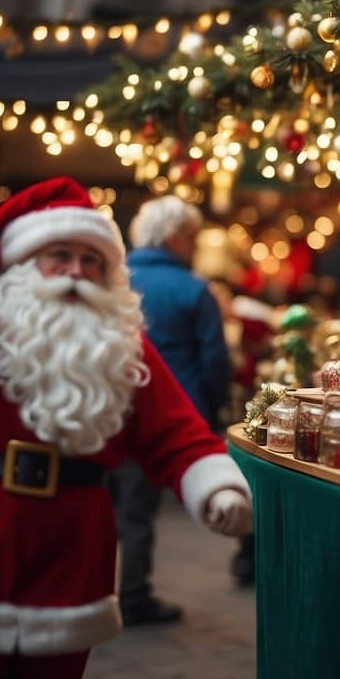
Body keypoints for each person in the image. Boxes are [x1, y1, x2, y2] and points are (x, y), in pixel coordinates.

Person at [0, 177, 252, 679]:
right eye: (60, 255)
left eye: (92, 260)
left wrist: (214, 483)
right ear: (23, 263)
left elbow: (172, 429)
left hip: (69, 554)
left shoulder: (117, 341)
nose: (77, 271)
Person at [107, 195, 233, 625]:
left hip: (106, 410)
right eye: (193, 238)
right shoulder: (195, 290)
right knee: (138, 512)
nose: (196, 247)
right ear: (175, 237)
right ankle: (134, 595)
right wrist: (214, 412)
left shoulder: (114, 279)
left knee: (105, 504)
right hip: (163, 417)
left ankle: (96, 589)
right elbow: (215, 361)